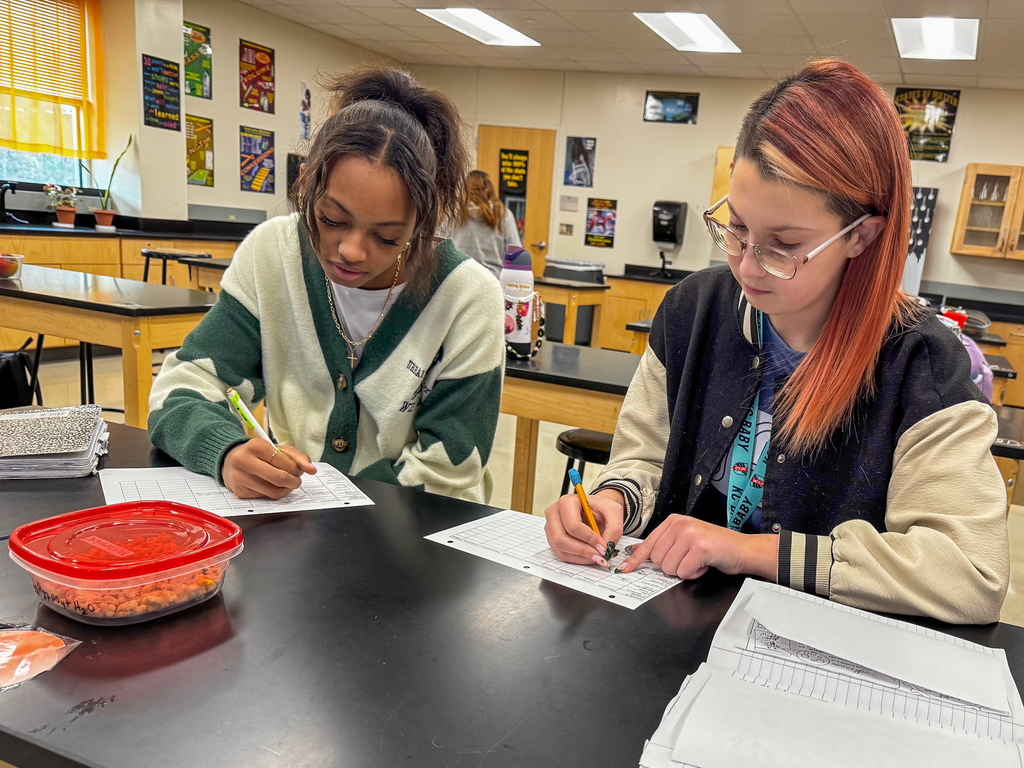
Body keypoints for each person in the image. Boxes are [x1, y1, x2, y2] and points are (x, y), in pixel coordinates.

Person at [544, 59, 1009, 624]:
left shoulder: (923, 364)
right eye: (735, 227)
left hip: (818, 655)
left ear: (861, 235)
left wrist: (746, 549)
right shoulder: (694, 311)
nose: (745, 263)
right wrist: (614, 502)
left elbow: (970, 571)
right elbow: (645, 454)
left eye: (782, 244)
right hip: (674, 628)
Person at [149, 67, 505, 503]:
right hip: (295, 526)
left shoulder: (468, 297)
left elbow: (450, 467)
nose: (351, 250)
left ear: (423, 223)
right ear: (307, 185)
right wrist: (225, 450)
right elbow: (184, 385)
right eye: (332, 220)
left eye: (388, 236)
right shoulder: (271, 254)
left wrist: (331, 518)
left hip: (415, 540)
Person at [450, 170, 521, 278]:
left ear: (465, 190)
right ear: (490, 190)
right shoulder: (503, 215)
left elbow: (441, 247)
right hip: (491, 280)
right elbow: (516, 255)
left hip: (459, 279)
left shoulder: (454, 214)